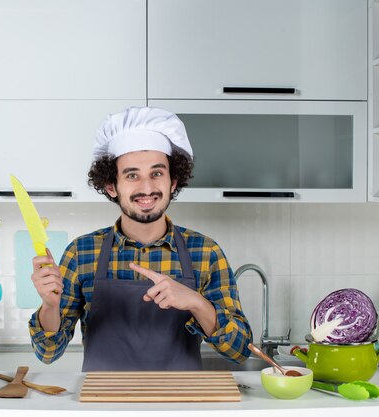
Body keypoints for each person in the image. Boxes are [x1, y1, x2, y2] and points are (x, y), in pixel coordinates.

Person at [28, 106, 252, 371]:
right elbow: (48, 352)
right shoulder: (81, 252)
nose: (147, 188)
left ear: (172, 182)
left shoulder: (205, 252)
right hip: (105, 405)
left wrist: (196, 302)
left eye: (157, 173)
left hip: (181, 406)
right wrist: (50, 305)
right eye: (132, 175)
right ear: (112, 186)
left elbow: (240, 351)